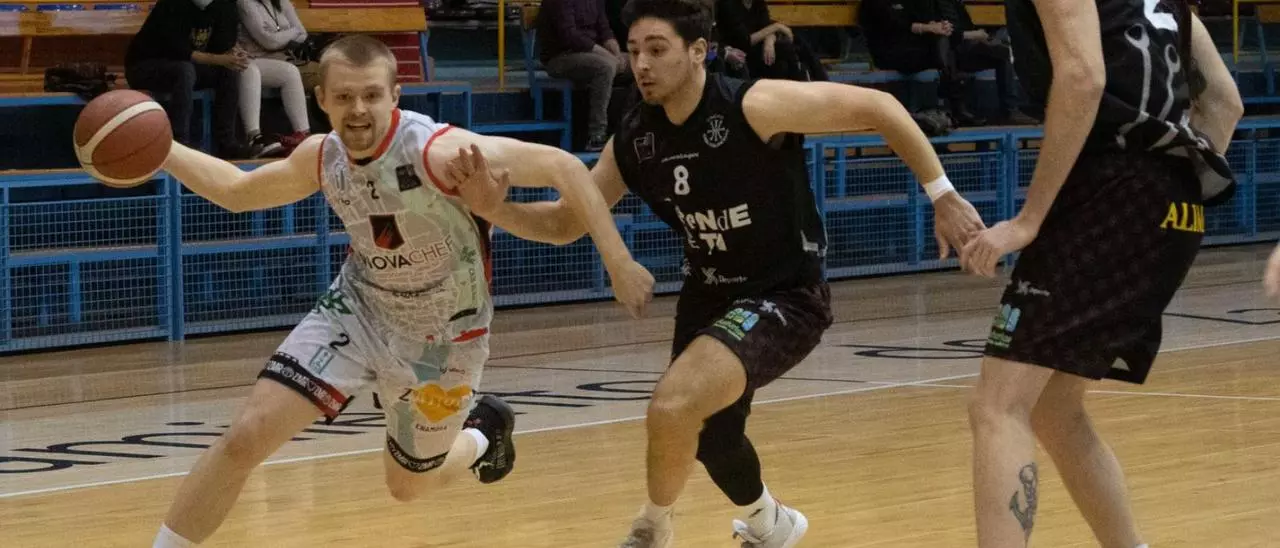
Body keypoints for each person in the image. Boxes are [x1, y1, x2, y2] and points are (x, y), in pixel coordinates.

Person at [443, 0, 987, 546]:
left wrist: (942, 194)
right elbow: (566, 222)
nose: (642, 64)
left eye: (657, 50)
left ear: (698, 51)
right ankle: (772, 524)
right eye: (634, 51)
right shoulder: (635, 138)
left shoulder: (754, 106)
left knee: (673, 405)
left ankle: (651, 528)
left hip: (785, 294)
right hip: (709, 295)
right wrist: (495, 208)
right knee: (710, 436)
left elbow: (881, 106)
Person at [148, 34, 655, 548]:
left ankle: (482, 434)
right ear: (321, 99)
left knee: (408, 487)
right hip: (358, 309)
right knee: (246, 437)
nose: (358, 109)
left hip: (444, 341)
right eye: (344, 96)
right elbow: (237, 191)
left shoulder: (437, 151)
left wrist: (618, 261)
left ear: (395, 95)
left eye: (371, 95)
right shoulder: (321, 156)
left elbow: (564, 167)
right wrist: (161, 149)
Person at [957, 0, 1242, 546]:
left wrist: (1029, 219)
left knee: (998, 404)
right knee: (1053, 408)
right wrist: (1168, 185)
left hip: (1110, 190)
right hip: (1174, 201)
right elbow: (1225, 103)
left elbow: (1083, 77)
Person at [125, 0, 255, 159]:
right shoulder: (172, 4)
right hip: (146, 66)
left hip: (188, 67)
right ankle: (180, 143)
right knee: (184, 70)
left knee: (227, 71)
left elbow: (223, 45)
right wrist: (220, 59)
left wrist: (233, 55)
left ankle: (227, 144)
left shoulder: (225, 5)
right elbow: (179, 51)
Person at [236, 0, 313, 157]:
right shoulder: (245, 3)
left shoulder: (282, 2)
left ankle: (304, 135)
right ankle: (254, 137)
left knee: (291, 72)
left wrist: (281, 37)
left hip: (278, 58)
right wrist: (292, 32)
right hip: (248, 58)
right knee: (250, 70)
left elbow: (303, 34)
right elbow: (268, 41)